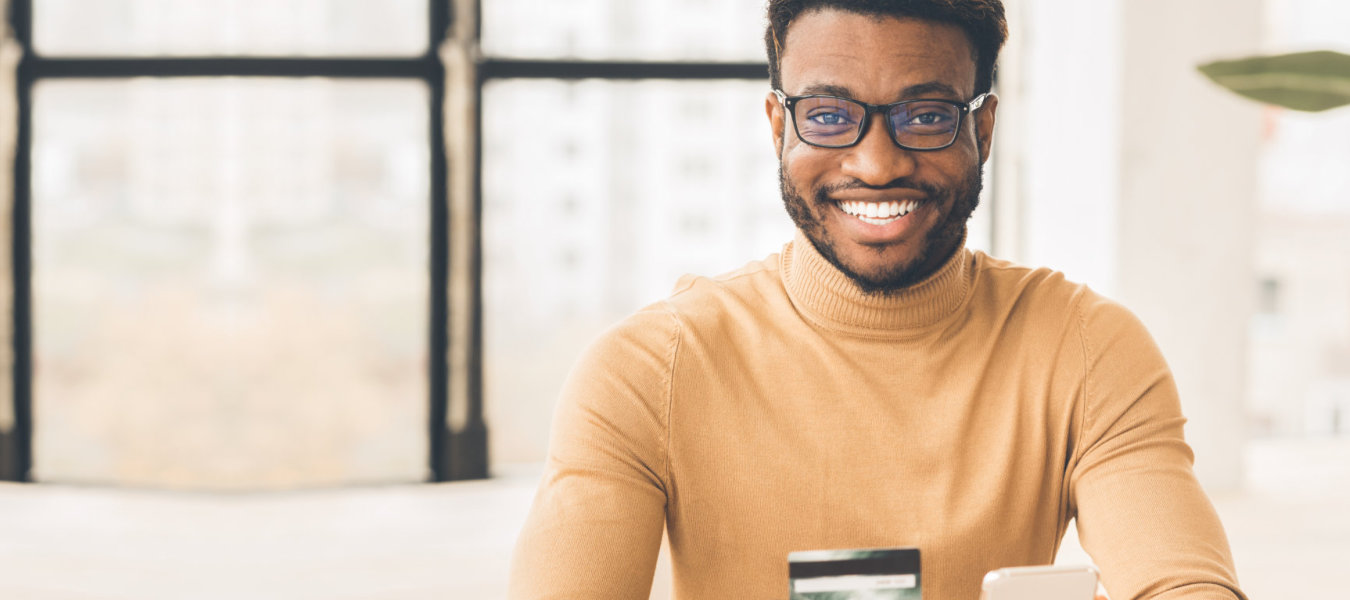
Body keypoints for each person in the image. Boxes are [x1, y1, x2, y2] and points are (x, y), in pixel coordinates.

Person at [506, 1, 1245, 598]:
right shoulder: (648, 369)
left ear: (982, 130)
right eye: (829, 115)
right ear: (778, 127)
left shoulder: (1085, 348)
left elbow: (1181, 581)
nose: (877, 162)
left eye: (925, 116)